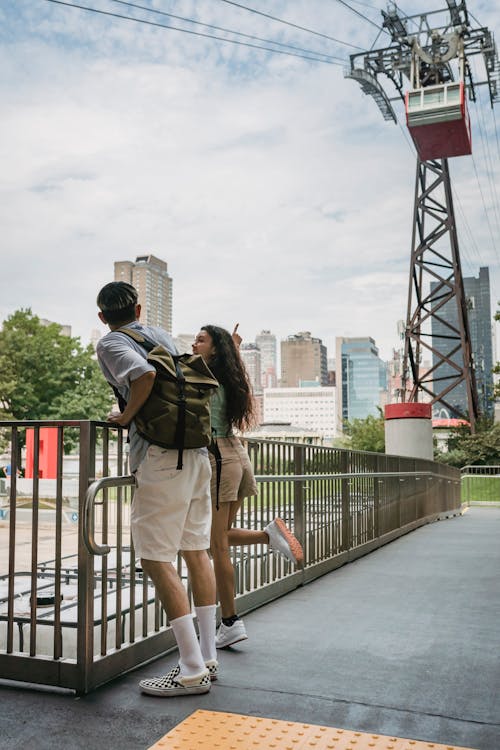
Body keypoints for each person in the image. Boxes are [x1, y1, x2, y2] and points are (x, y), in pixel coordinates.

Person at [96, 281, 218, 697]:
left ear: (101, 316)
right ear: (139, 307)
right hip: (198, 451)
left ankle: (189, 668)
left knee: (153, 558)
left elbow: (144, 374)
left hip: (163, 456)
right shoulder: (161, 335)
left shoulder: (111, 342)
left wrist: (127, 415)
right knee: (195, 551)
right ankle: (206, 656)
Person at [192, 324, 304, 649]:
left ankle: (229, 621)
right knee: (218, 538)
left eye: (201, 340)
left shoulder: (203, 375)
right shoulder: (229, 375)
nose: (194, 343)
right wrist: (234, 348)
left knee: (217, 545)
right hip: (235, 455)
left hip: (217, 458)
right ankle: (269, 535)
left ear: (215, 350)